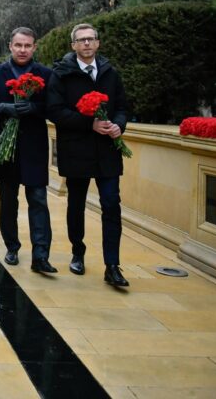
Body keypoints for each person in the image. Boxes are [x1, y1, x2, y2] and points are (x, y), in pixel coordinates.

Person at [47, 23, 130, 287]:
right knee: (76, 204)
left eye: (91, 39)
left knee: (111, 205)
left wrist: (118, 124)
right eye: (81, 40)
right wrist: (89, 124)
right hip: (77, 150)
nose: (86, 44)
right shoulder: (61, 74)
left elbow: (123, 107)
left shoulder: (110, 73)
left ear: (98, 43)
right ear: (73, 46)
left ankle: (113, 265)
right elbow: (55, 111)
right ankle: (77, 252)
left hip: (107, 151)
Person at [0, 27, 56, 273]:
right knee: (8, 201)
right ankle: (12, 247)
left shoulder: (46, 74)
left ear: (34, 47)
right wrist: (3, 108)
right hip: (5, 148)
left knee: (38, 200)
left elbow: (54, 108)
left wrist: (33, 108)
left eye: (27, 46)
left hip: (34, 146)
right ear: (10, 46)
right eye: (18, 45)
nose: (23, 50)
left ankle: (41, 255)